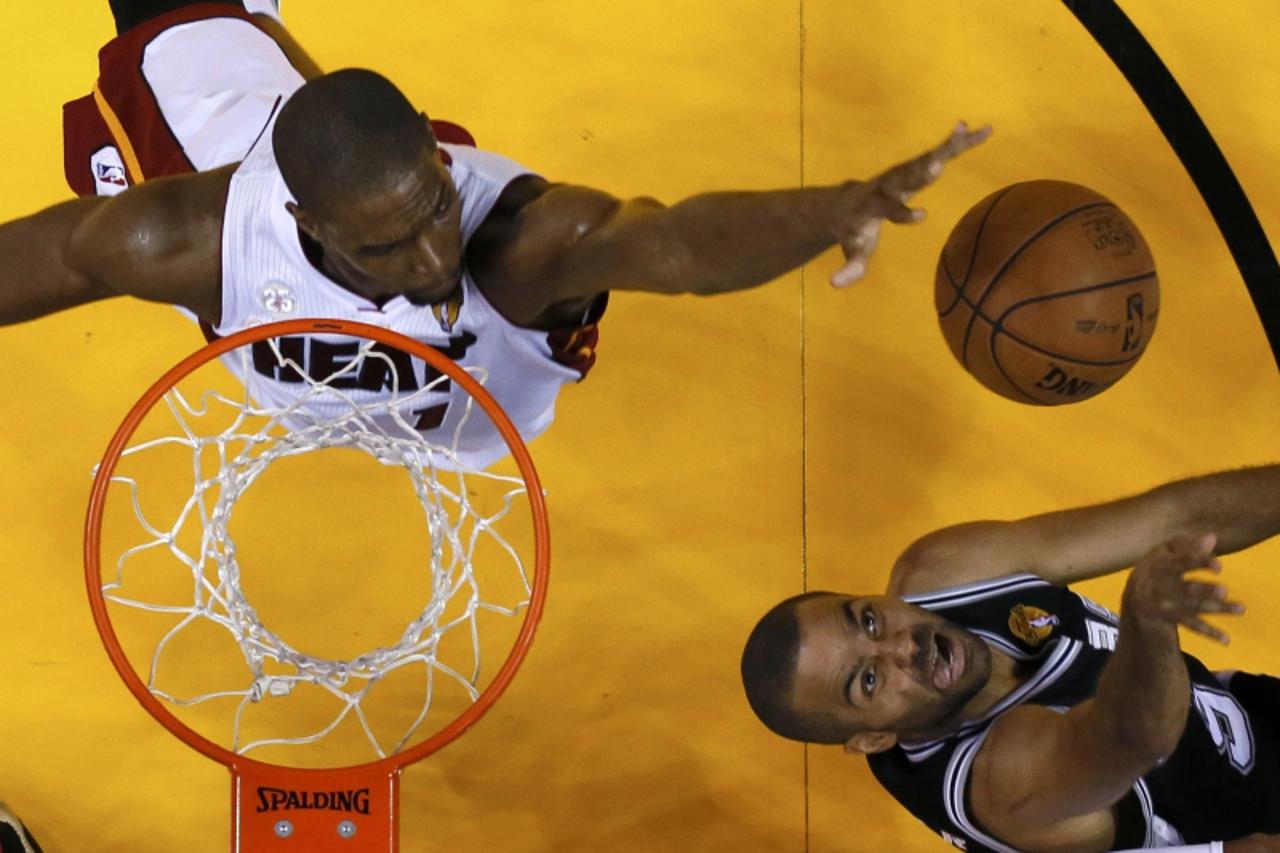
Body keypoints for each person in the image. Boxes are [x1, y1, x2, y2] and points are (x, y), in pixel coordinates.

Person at [0, 0, 990, 468]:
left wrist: (827, 209)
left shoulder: (517, 242)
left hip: (445, 382)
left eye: (435, 210)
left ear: (439, 162)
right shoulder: (183, 238)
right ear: (304, 225)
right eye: (387, 251)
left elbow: (676, 244)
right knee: (183, 34)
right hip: (219, 122)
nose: (436, 260)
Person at [741, 464, 1280, 852]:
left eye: (869, 620)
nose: (903, 646)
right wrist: (1148, 625)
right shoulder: (1001, 780)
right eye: (868, 680)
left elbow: (1175, 520)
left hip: (1242, 725)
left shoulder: (947, 571)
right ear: (874, 739)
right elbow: (1135, 737)